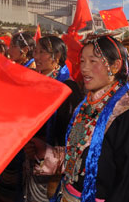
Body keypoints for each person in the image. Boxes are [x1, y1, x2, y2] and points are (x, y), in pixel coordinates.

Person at [27, 35, 129, 202]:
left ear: (115, 66)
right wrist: (48, 152)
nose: (84, 69)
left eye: (93, 61)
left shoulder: (128, 116)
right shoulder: (86, 106)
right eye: (83, 61)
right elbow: (79, 155)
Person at [24, 35, 83, 202]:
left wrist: (45, 149)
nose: (36, 56)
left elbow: (72, 134)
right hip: (32, 158)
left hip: (53, 166)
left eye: (42, 52)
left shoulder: (67, 88)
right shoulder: (38, 81)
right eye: (35, 51)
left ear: (56, 56)